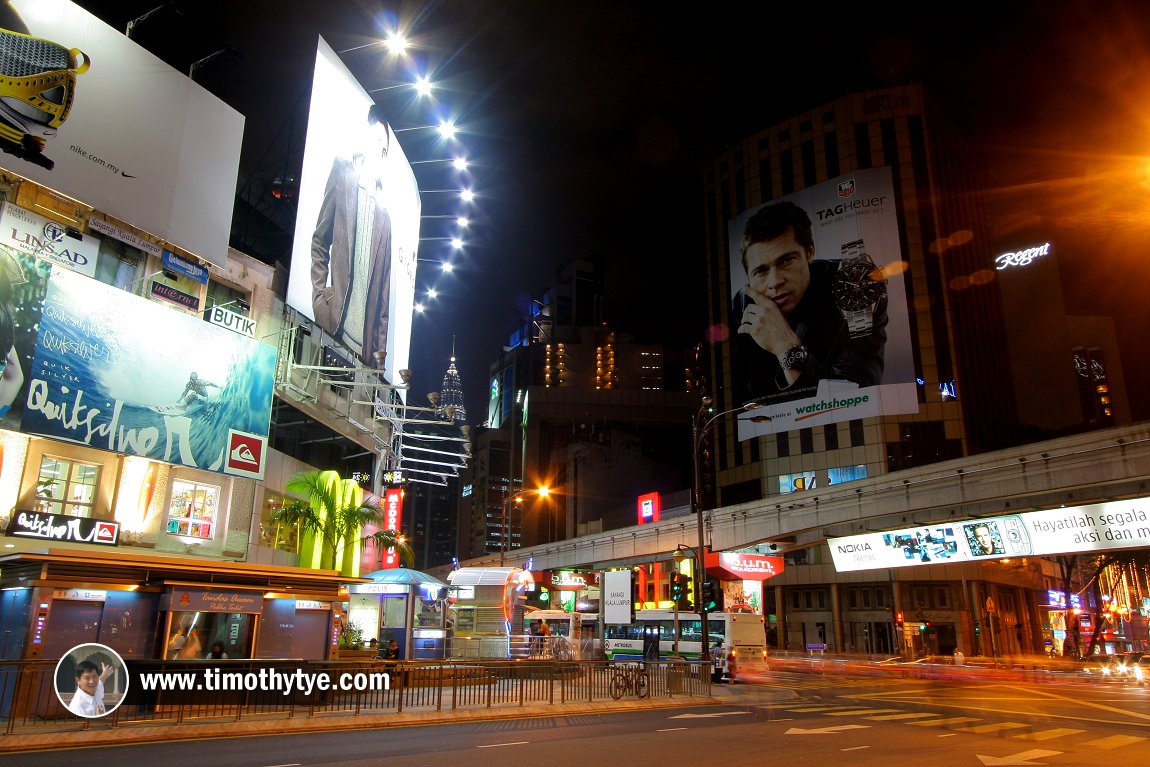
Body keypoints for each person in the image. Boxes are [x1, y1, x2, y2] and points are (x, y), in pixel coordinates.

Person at [731, 200, 888, 405]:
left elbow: (850, 399)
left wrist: (786, 347)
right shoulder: (743, 307)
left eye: (786, 261)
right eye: (760, 271)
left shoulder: (855, 287)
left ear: (809, 253)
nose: (775, 282)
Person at [310, 104, 393, 367]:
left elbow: (383, 302)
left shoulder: (386, 219)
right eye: (375, 138)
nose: (378, 148)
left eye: (384, 146)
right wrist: (319, 297)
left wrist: (378, 363)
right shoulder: (342, 174)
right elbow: (320, 241)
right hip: (332, 325)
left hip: (363, 351)